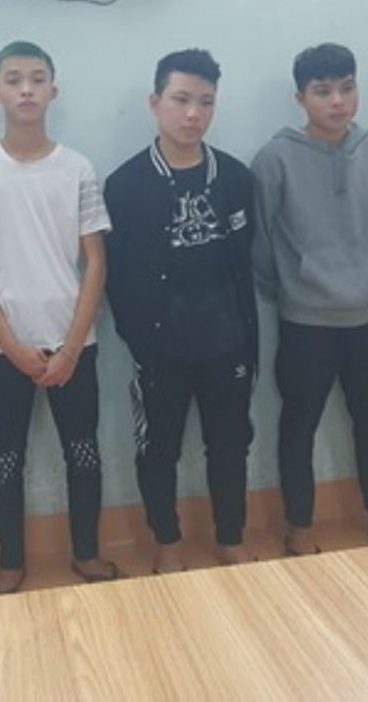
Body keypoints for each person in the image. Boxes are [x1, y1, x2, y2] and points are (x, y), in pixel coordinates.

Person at [0, 40, 120, 593]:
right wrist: (10, 343)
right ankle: (11, 561)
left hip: (75, 342)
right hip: (4, 349)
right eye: (13, 80)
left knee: (84, 451)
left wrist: (71, 347)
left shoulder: (77, 168)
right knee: (6, 456)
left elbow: (96, 262)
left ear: (54, 89)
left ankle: (88, 553)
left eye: (36, 78)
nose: (25, 89)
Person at [104, 48, 256, 574]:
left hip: (228, 340)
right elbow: (115, 275)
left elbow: (246, 262)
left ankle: (230, 536)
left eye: (206, 102)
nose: (193, 114)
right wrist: (140, 338)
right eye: (181, 100)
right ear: (155, 103)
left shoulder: (235, 177)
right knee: (158, 447)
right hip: (160, 347)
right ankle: (166, 540)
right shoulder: (125, 185)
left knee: (230, 444)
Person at [252, 43, 368, 556]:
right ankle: (300, 524)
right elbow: (262, 240)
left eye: (347, 88)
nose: (337, 101)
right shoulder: (274, 159)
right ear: (301, 98)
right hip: (306, 319)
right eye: (322, 91)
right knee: (299, 425)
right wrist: (288, 290)